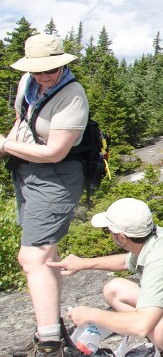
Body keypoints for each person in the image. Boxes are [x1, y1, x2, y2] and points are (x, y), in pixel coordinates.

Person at [48, 198, 163, 357]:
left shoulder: (162, 259)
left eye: (108, 230)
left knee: (159, 328)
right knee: (115, 290)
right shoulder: (153, 237)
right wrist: (83, 263)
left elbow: (141, 325)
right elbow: (125, 261)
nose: (108, 234)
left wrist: (91, 315)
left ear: (122, 237)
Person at [2, 33, 89, 357]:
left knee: (32, 258)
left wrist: (5, 145)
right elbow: (22, 119)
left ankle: (50, 344)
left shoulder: (72, 95)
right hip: (27, 171)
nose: (43, 76)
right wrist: (8, 145)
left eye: (50, 69)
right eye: (37, 70)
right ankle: (51, 332)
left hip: (57, 178)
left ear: (61, 65)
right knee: (47, 255)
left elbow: (54, 152)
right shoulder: (28, 82)